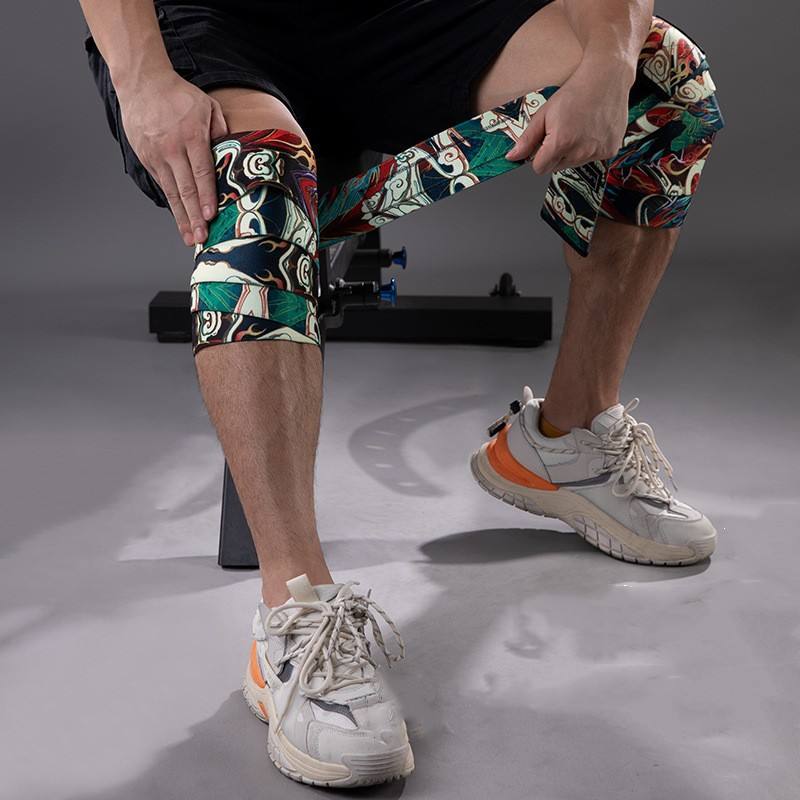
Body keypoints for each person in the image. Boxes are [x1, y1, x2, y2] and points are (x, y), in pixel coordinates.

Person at [79, 0, 724, 788]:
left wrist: (613, 61)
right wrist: (143, 78)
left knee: (665, 79)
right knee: (260, 175)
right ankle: (295, 613)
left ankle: (567, 437)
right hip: (213, 23)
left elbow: (625, 57)